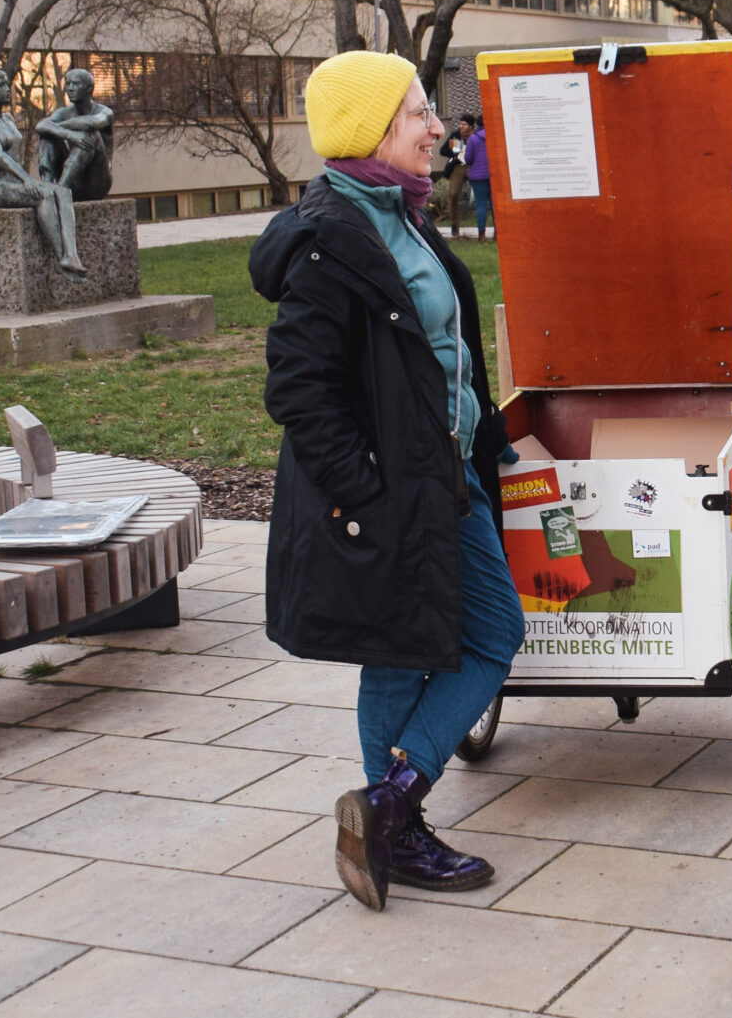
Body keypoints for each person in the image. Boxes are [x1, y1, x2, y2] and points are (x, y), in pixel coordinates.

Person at [248, 50, 524, 912]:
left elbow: (449, 355)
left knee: (491, 633)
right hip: (394, 491)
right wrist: (365, 492)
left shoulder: (400, 217)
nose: (437, 126)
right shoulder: (333, 243)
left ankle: (387, 806)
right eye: (417, 113)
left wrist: (497, 443)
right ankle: (396, 825)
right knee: (403, 652)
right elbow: (296, 389)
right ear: (371, 132)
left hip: (447, 479)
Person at [0, 68, 87, 280]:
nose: (7, 89)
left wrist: (26, 179)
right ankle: (61, 257)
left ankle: (71, 256)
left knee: (62, 192)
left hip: (15, 182)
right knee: (42, 195)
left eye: (7, 84)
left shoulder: (7, 119)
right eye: (0, 85)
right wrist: (26, 179)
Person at [35, 67, 116, 202]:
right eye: (68, 84)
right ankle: (47, 188)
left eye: (76, 84)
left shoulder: (104, 112)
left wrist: (57, 128)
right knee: (47, 135)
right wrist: (69, 134)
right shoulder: (63, 112)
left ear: (89, 88)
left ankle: (60, 189)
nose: (70, 88)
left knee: (89, 134)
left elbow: (91, 123)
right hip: (73, 182)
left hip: (97, 182)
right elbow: (41, 126)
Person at [438, 114, 476, 236]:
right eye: (460, 124)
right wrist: (457, 151)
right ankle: (454, 224)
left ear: (471, 126)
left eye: (463, 124)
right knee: (453, 194)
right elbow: (443, 151)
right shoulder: (456, 136)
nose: (460, 126)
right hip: (459, 165)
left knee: (481, 193)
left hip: (474, 165)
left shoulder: (476, 136)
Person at [463, 116, 493, 239]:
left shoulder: (473, 139)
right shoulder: (495, 136)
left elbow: (468, 158)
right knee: (494, 206)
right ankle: (499, 233)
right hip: (494, 176)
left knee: (481, 205)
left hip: (478, 177)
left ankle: (481, 234)